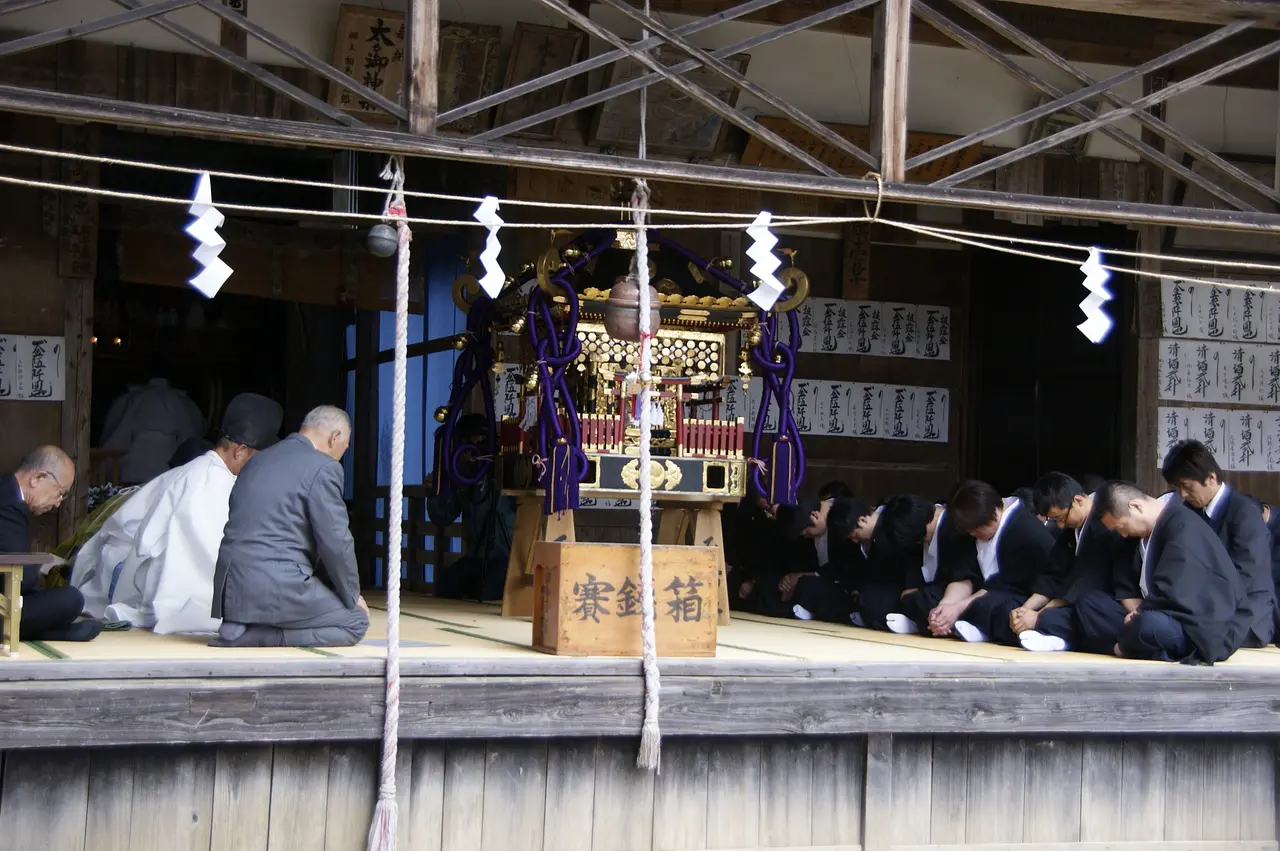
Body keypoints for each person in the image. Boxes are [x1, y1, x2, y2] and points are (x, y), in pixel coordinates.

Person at [71, 394, 283, 634]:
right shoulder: (209, 481)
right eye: (259, 458)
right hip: (136, 577)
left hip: (128, 567)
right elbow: (207, 552)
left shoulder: (202, 471)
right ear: (241, 452)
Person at [211, 405, 369, 647]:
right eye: (344, 448)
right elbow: (336, 542)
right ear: (334, 437)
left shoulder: (257, 460)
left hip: (231, 584)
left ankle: (243, 621)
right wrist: (352, 595)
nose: (341, 454)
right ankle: (260, 636)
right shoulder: (324, 467)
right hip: (278, 583)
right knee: (355, 621)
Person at [1089, 480, 1249, 664]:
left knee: (1146, 626)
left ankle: (1131, 646)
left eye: (1121, 527)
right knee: (1091, 604)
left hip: (1199, 627)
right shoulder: (1140, 535)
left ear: (1135, 507)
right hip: (1154, 613)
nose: (1123, 534)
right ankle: (1135, 645)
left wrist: (1142, 611)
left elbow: (1176, 586)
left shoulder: (1182, 525)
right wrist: (1139, 611)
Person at [1160, 440, 1276, 647]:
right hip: (1207, 610)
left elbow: (1248, 574)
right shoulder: (1189, 511)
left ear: (1211, 477)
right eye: (1177, 487)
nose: (1182, 495)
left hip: (1245, 616)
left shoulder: (1244, 512)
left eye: (1186, 486)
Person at [1012, 472, 1128, 653]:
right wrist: (1025, 610)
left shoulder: (1104, 525)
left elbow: (1088, 582)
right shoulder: (1072, 529)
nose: (1060, 525)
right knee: (1012, 612)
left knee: (1070, 611)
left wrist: (1040, 614)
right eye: (1056, 520)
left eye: (1061, 518)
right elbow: (1054, 573)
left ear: (1078, 500)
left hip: (1104, 605)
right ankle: (1056, 636)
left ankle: (1060, 638)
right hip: (1076, 605)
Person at [929, 480, 1055, 645]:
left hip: (1017, 595)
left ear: (995, 512)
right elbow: (963, 573)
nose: (973, 534)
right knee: (929, 600)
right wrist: (946, 606)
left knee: (994, 606)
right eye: (969, 530)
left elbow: (1007, 583)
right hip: (980, 593)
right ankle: (952, 623)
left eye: (977, 528)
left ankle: (980, 627)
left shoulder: (1027, 532)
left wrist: (959, 608)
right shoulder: (969, 534)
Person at [0, 446, 101, 641]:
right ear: (38, 478)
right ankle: (54, 632)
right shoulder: (8, 504)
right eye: (60, 492)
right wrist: (42, 567)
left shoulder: (6, 491)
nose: (58, 502)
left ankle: (51, 630)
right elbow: (21, 579)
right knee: (71, 599)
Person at [427, 414, 515, 602]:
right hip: (476, 557)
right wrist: (436, 491)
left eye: (476, 440)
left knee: (487, 590)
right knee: (446, 586)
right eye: (464, 441)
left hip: (506, 556)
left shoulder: (506, 466)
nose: (470, 448)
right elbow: (443, 516)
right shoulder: (464, 472)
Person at [99, 365, 206, 485]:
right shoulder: (184, 402)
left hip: (133, 472)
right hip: (168, 476)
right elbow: (193, 436)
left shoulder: (131, 399)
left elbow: (116, 436)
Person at [889, 496, 980, 635]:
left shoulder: (954, 527)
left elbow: (963, 578)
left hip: (961, 591)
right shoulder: (923, 532)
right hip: (936, 587)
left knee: (927, 602)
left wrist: (946, 606)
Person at [791, 496, 873, 624]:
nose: (805, 535)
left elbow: (845, 564)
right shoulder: (815, 527)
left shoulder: (842, 522)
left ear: (815, 516)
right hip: (837, 582)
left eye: (806, 531)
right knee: (806, 584)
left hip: (854, 583)